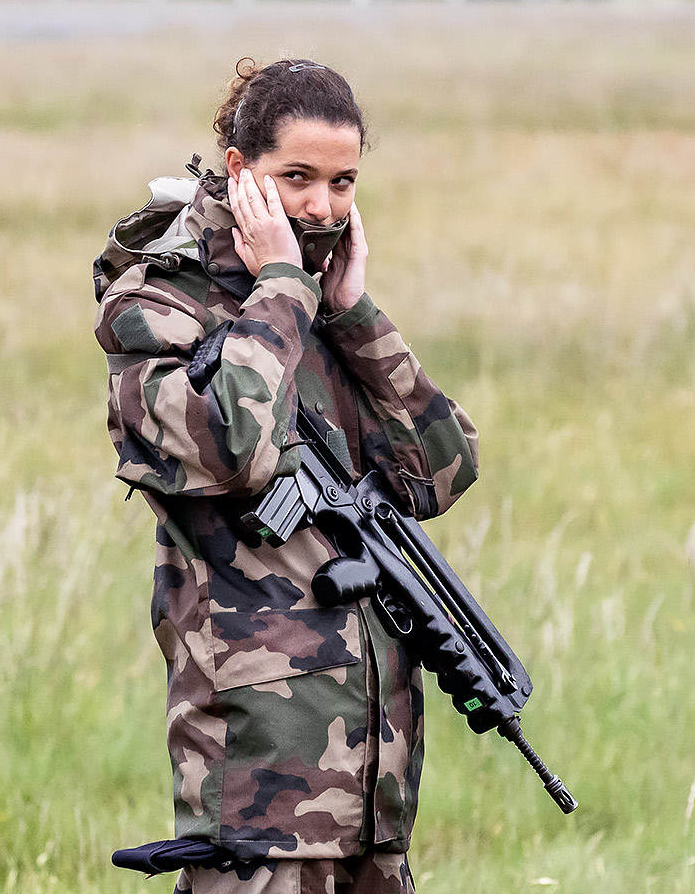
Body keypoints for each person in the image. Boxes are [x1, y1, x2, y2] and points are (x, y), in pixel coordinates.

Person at [93, 59, 479, 894]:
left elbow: (441, 472)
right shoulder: (160, 303)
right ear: (240, 170)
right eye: (295, 177)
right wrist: (278, 290)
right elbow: (233, 448)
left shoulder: (318, 301)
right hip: (258, 793)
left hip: (370, 794)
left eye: (342, 183)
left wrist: (355, 315)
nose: (321, 206)